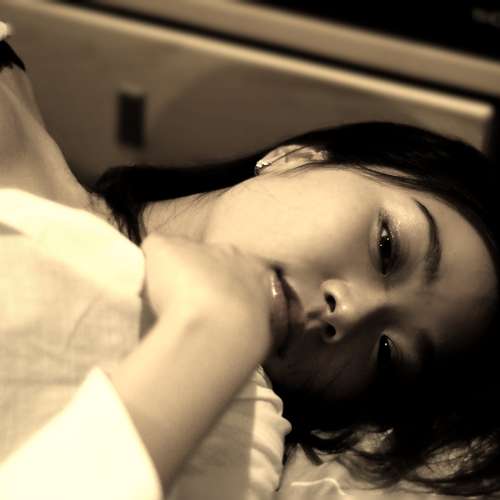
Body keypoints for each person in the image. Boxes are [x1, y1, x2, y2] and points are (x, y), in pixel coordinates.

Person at [1, 25, 500, 498]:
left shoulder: (237, 435)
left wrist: (213, 333)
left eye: (387, 353)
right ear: (300, 157)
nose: (347, 312)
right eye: (387, 249)